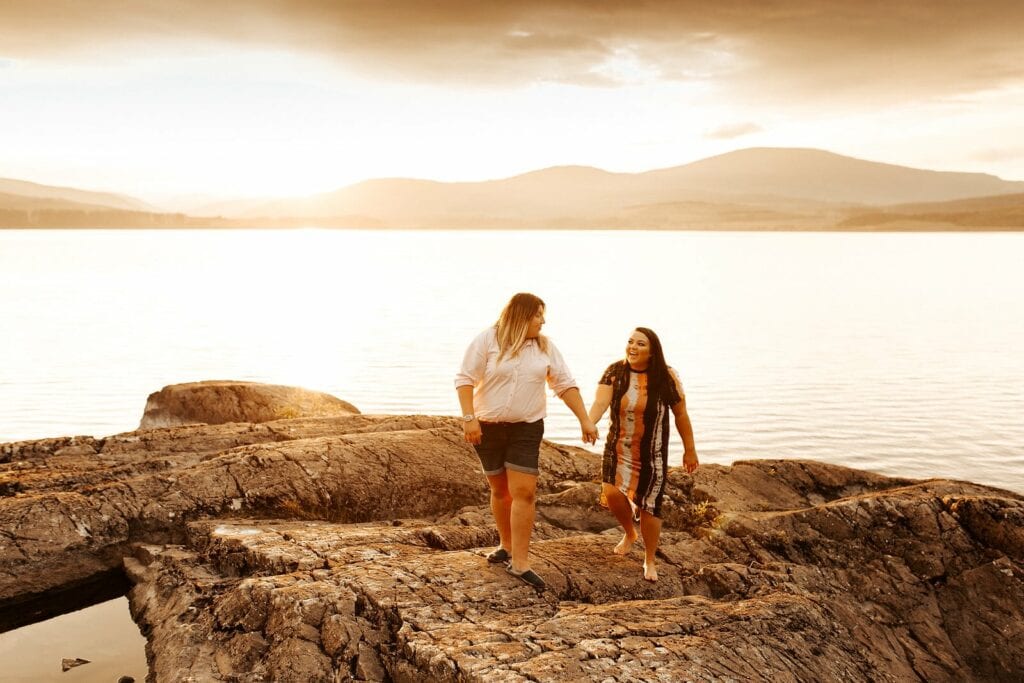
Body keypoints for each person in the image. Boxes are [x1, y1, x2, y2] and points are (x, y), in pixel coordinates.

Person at [455, 293, 598, 590]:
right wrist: (470, 418)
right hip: (489, 428)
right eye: (538, 316)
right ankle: (505, 545)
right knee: (500, 489)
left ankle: (520, 563)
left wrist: (585, 419)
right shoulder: (487, 340)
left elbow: (565, 384)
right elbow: (465, 379)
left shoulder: (544, 347)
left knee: (524, 492)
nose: (543, 322)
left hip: (527, 428)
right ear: (521, 316)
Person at [587, 327, 698, 582]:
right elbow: (600, 403)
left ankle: (649, 558)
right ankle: (629, 533)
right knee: (612, 492)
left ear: (652, 351)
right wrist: (590, 423)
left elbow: (681, 414)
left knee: (650, 507)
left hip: (653, 452)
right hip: (618, 446)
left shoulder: (665, 377)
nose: (633, 347)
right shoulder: (615, 372)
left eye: (640, 344)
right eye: (630, 342)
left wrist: (689, 450)